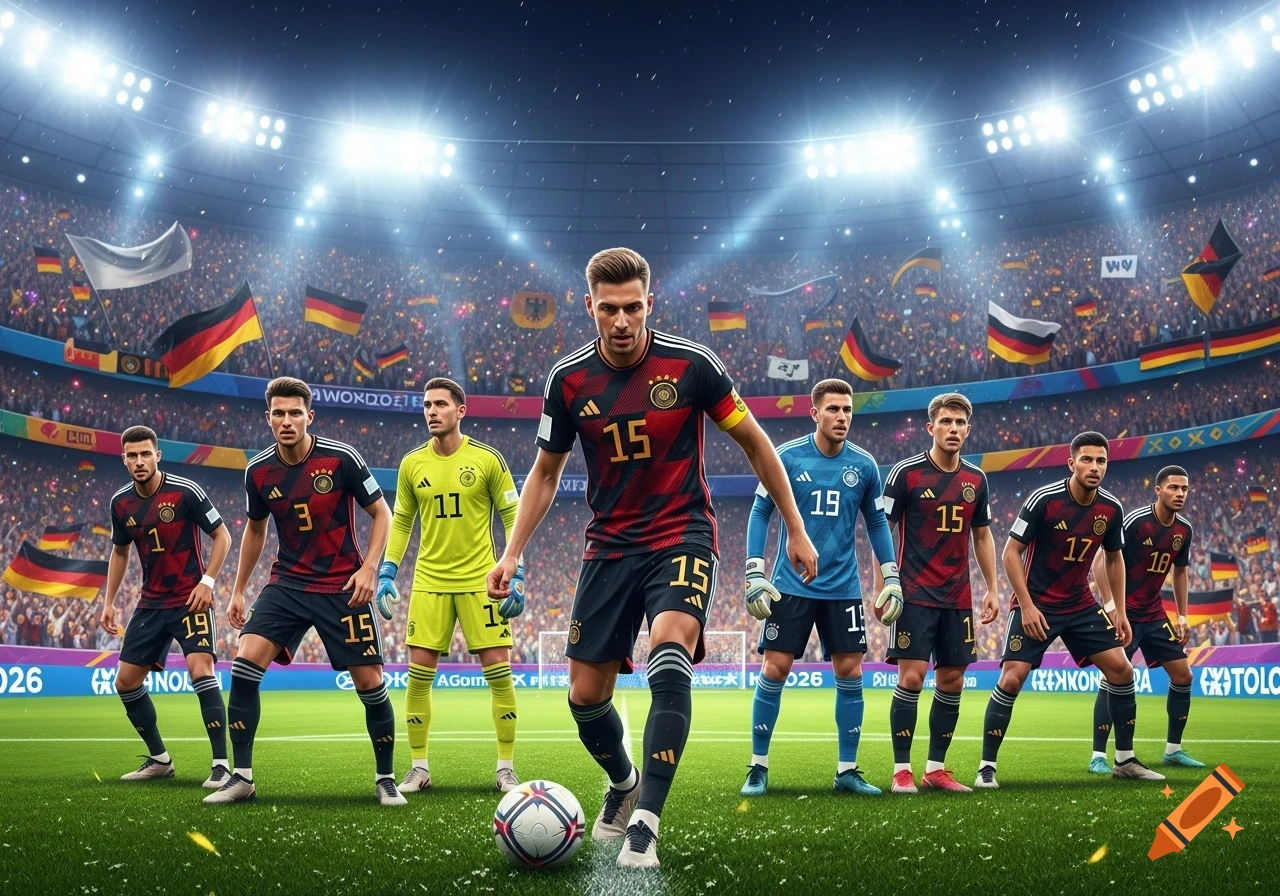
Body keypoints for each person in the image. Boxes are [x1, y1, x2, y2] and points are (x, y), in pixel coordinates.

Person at [486, 247, 818, 870]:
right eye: (608, 309)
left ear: (649, 303)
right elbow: (545, 473)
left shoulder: (692, 366)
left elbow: (756, 443)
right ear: (589, 306)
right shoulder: (569, 381)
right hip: (608, 546)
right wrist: (512, 554)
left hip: (680, 533)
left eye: (632, 307)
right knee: (585, 699)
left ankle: (646, 822)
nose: (621, 321)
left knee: (669, 653)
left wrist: (794, 530)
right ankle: (624, 782)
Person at [205, 377, 400, 805]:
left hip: (342, 583)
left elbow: (382, 514)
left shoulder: (341, 458)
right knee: (243, 666)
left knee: (370, 682)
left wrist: (370, 568)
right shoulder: (258, 471)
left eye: (295, 412)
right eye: (279, 413)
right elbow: (255, 531)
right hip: (288, 583)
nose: (287, 420)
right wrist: (238, 589)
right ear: (268, 417)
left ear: (310, 416)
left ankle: (385, 778)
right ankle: (242, 777)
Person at [739, 378, 901, 797]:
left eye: (847, 410)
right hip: (790, 586)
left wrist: (892, 575)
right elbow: (760, 513)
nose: (842, 417)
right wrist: (755, 571)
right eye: (833, 409)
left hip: (843, 588)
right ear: (815, 413)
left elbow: (878, 523)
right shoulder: (787, 458)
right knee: (774, 669)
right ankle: (758, 767)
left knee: (850, 672)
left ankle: (847, 770)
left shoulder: (865, 465)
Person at [975, 431, 1165, 787]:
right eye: (1088, 460)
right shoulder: (1044, 499)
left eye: (1101, 461)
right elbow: (1010, 553)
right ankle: (986, 766)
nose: (1095, 467)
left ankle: (1124, 760)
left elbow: (1114, 559)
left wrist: (1119, 610)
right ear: (1071, 463)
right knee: (1012, 677)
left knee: (1122, 671)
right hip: (1038, 603)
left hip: (1080, 604)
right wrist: (1027, 606)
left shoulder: (1111, 508)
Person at [375, 377, 524, 794]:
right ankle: (419, 768)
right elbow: (402, 521)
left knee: (500, 676)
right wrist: (388, 571)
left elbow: (512, 517)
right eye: (426, 405)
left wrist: (518, 572)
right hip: (429, 583)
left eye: (440, 404)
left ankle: (505, 768)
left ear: (461, 410)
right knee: (417, 678)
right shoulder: (411, 464)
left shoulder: (488, 459)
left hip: (483, 583)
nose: (431, 411)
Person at [878, 393, 999, 794]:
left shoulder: (976, 480)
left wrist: (992, 588)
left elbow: (981, 535)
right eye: (945, 422)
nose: (953, 429)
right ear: (930, 428)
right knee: (911, 679)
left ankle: (935, 768)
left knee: (953, 680)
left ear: (968, 428)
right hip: (913, 593)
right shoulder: (906, 474)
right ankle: (901, 770)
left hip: (958, 596)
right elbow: (884, 529)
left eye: (960, 423)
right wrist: (884, 583)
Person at [100, 425, 233, 786]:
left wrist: (208, 581)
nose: (139, 461)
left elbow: (222, 536)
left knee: (201, 672)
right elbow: (120, 550)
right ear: (124, 459)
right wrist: (109, 601)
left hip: (191, 598)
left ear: (158, 455)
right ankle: (160, 759)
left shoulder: (185, 492)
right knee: (125, 682)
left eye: (146, 454)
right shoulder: (120, 504)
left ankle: (221, 766)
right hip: (151, 602)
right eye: (132, 455)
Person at [1089, 465, 1203, 771]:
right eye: (1174, 488)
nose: (1180, 494)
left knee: (1183, 675)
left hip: (1154, 613)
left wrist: (1182, 616)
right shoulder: (1136, 522)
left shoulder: (1184, 531)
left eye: (1184, 489)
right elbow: (1101, 562)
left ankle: (1173, 751)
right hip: (1125, 614)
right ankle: (1098, 756)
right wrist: (1112, 608)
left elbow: (1180, 573)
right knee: (1113, 678)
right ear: (1158, 490)